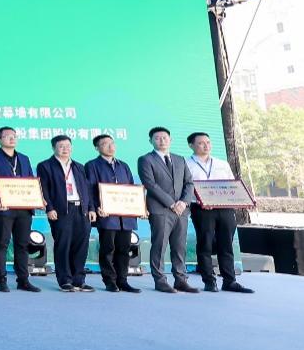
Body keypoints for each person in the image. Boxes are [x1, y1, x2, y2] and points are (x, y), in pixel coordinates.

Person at [186, 132, 253, 294]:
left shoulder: (222, 163)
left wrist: (243, 200)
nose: (206, 145)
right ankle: (209, 281)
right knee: (205, 244)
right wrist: (202, 200)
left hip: (224, 208)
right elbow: (185, 187)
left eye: (208, 142)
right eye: (201, 143)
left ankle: (230, 281)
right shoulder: (186, 164)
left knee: (226, 244)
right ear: (191, 145)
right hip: (201, 208)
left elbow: (232, 185)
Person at [137, 126, 197, 293]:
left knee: (179, 247)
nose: (162, 141)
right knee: (159, 246)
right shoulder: (145, 160)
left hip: (181, 211)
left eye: (165, 137)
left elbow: (189, 183)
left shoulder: (180, 159)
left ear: (170, 140)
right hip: (160, 210)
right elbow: (150, 184)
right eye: (157, 138)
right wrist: (171, 203)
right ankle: (160, 280)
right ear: (151, 141)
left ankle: (180, 279)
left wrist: (183, 202)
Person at [0, 127, 40, 293]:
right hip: (4, 208)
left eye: (14, 136)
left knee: (22, 245)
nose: (12, 139)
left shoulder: (24, 158)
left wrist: (37, 198)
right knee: (2, 243)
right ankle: (1, 280)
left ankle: (23, 280)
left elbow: (31, 181)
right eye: (7, 136)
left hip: (24, 208)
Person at [38, 135, 97, 292]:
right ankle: (65, 280)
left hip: (81, 210)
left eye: (68, 146)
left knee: (81, 246)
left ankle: (79, 280)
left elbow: (87, 189)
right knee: (63, 245)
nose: (65, 149)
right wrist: (49, 208)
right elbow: (43, 188)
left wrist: (91, 208)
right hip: (61, 210)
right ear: (54, 148)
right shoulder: (45, 166)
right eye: (61, 146)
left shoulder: (79, 166)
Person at [85, 134, 141, 293]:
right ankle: (110, 281)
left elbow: (131, 189)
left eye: (112, 143)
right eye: (105, 144)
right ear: (97, 148)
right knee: (108, 248)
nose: (110, 146)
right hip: (106, 215)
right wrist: (95, 207)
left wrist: (138, 207)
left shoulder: (123, 165)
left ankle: (123, 280)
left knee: (124, 248)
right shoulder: (92, 165)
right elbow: (89, 190)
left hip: (126, 216)